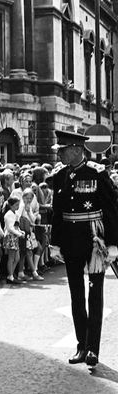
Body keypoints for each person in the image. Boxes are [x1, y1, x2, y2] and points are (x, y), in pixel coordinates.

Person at [50, 130, 118, 367]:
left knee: (94, 295)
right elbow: (56, 213)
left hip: (92, 240)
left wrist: (112, 243)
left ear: (77, 150)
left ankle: (93, 350)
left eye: (63, 149)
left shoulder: (97, 174)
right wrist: (55, 243)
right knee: (76, 295)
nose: (59, 153)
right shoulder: (59, 176)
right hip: (70, 241)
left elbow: (111, 211)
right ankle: (82, 345)